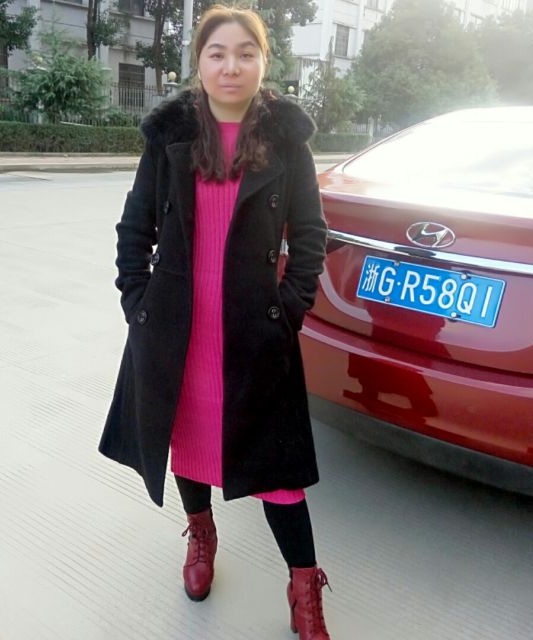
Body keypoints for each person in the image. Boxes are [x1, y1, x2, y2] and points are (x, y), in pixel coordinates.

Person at [98, 5, 330, 638]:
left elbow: (310, 236)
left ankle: (304, 584)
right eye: (217, 53)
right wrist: (138, 304)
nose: (232, 66)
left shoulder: (287, 140)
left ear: (263, 62)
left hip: (254, 333)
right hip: (178, 329)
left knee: (279, 473)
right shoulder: (169, 135)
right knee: (190, 444)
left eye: (245, 53)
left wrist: (288, 310)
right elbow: (134, 227)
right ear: (198, 62)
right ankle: (200, 533)